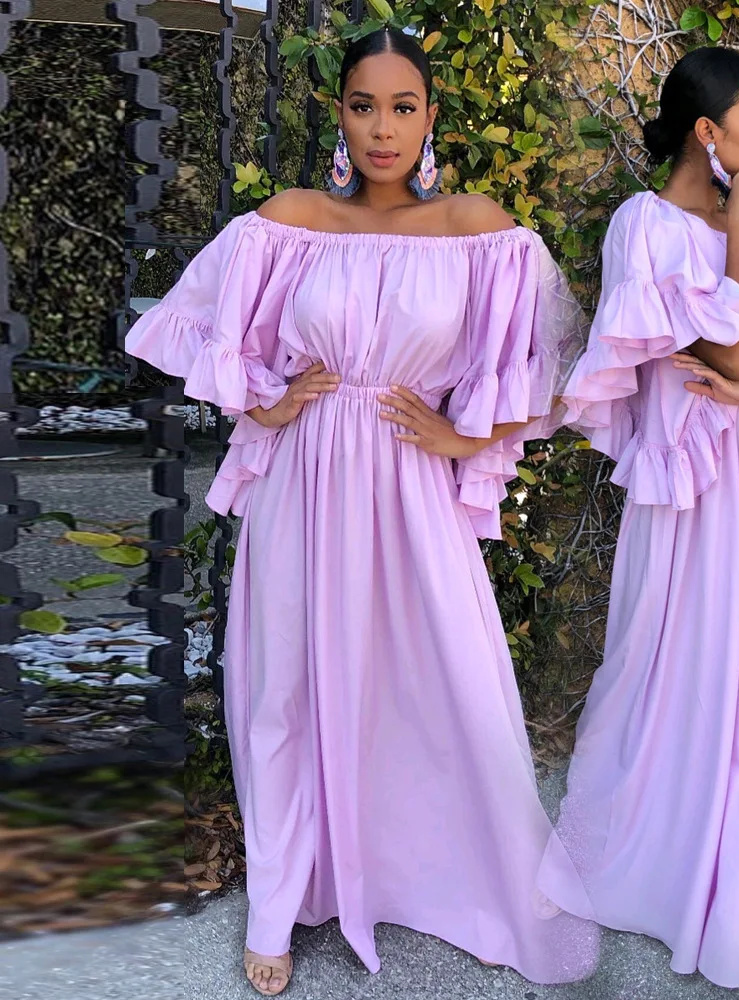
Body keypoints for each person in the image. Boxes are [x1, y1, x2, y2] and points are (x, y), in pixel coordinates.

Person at [124, 25, 600, 997]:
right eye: (363, 105)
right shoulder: (290, 220)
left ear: (429, 118)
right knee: (285, 688)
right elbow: (191, 321)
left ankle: (428, 874)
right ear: (338, 115)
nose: (383, 127)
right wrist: (264, 400)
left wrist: (465, 438)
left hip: (413, 487)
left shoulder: (478, 228)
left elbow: (553, 354)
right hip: (303, 483)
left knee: (444, 677)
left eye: (402, 106)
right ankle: (278, 903)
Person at [534, 46, 739, 989]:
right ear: (706, 131)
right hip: (699, 491)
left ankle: (729, 849)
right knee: (676, 657)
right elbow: (732, 353)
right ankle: (656, 855)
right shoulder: (645, 226)